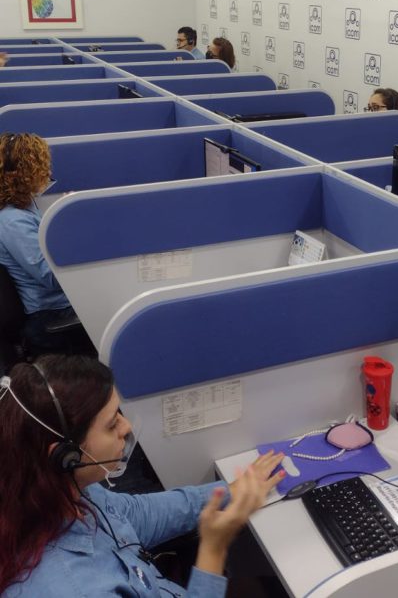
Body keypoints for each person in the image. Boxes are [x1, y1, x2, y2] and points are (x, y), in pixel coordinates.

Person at [0, 355, 285, 596]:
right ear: (65, 456)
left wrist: (231, 491)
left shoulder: (64, 490)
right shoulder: (78, 588)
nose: (126, 427)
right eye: (111, 424)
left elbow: (135, 514)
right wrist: (214, 549)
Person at [0, 132, 91, 357]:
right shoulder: (13, 221)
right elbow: (52, 278)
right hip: (51, 315)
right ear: (24, 173)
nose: (47, 173)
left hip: (63, 305)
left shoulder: (25, 205)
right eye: (41, 167)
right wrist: (70, 226)